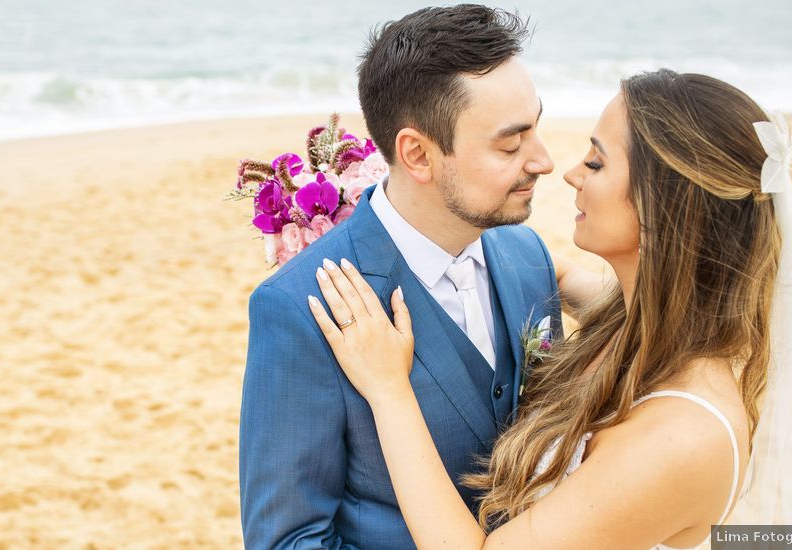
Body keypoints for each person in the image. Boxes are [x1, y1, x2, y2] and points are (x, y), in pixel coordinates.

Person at [307, 69, 792, 548]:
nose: (567, 172)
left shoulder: (683, 435)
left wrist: (389, 390)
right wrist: (392, 229)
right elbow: (548, 275)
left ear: (661, 206)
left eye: (595, 161)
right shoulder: (650, 324)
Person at [239, 5, 561, 548]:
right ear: (417, 154)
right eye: (510, 144)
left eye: (537, 129)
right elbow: (286, 540)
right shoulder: (298, 305)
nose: (543, 160)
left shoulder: (528, 255)